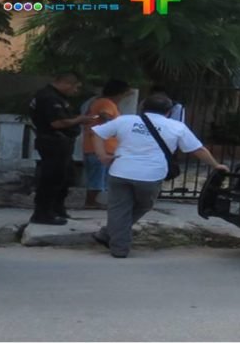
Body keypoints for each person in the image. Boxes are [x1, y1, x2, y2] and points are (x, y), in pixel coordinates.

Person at [90, 94, 228, 258]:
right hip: (151, 176)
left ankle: (116, 244)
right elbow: (197, 149)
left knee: (118, 210)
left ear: (142, 107)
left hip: (120, 171)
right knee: (143, 206)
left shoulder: (125, 120)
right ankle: (115, 240)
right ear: (169, 111)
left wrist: (102, 156)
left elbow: (97, 133)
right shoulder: (177, 127)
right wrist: (215, 165)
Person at [29, 71, 98, 225]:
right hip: (53, 142)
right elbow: (57, 123)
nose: (76, 91)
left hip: (62, 143)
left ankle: (57, 209)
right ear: (66, 83)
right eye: (75, 88)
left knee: (65, 177)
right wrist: (80, 119)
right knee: (51, 178)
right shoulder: (48, 97)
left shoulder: (57, 97)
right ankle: (43, 213)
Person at [81, 79, 132, 209]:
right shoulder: (106, 103)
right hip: (100, 147)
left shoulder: (100, 101)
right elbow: (105, 115)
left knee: (99, 176)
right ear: (119, 93)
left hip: (100, 146)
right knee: (97, 176)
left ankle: (93, 201)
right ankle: (91, 202)